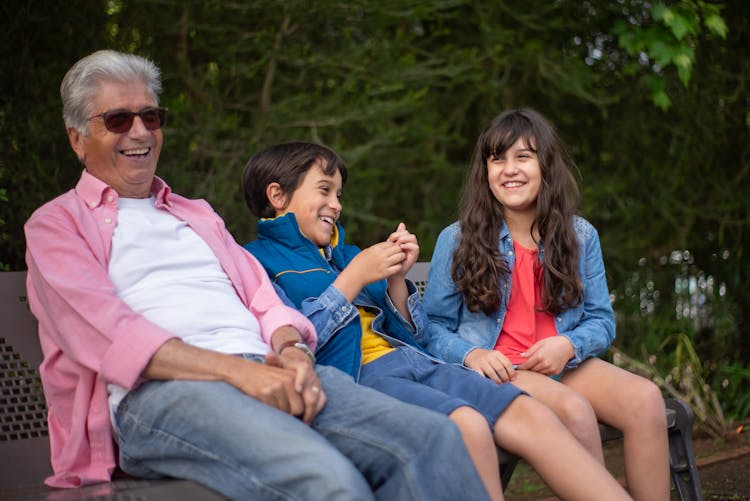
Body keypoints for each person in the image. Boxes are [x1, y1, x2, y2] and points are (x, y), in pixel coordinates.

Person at [23, 49, 496, 501]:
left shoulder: (196, 215)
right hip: (161, 394)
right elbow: (110, 336)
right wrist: (241, 374)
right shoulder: (57, 226)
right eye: (119, 120)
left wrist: (293, 351)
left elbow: (262, 300)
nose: (141, 132)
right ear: (77, 137)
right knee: (327, 482)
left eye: (151, 117)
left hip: (267, 368)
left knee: (435, 440)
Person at [242, 141, 633, 501]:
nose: (337, 204)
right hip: (362, 380)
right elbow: (291, 342)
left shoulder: (345, 255)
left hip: (420, 363)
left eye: (339, 194)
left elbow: (418, 335)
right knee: (470, 426)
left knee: (531, 413)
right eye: (325, 190)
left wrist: (396, 280)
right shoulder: (256, 263)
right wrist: (353, 279)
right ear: (276, 196)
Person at [422, 108, 670, 501]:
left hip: (561, 362)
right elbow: (430, 327)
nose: (509, 169)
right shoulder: (457, 240)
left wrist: (568, 345)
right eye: (497, 158)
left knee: (646, 399)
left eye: (523, 156)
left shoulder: (579, 235)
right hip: (503, 369)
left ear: (546, 165)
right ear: (484, 171)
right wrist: (472, 355)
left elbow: (601, 320)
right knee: (574, 410)